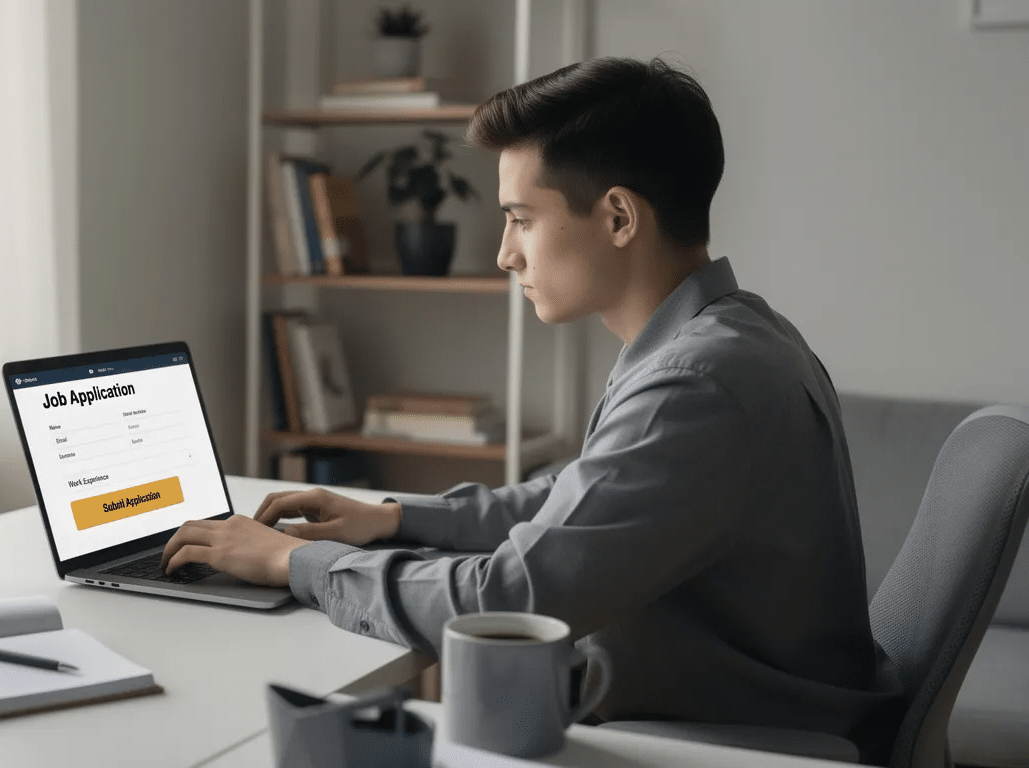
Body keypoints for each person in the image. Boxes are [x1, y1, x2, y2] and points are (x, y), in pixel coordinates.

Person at [162, 56, 900, 760]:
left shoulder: (696, 383)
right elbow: (576, 501)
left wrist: (301, 563)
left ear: (617, 218)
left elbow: (512, 599)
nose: (504, 254)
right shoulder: (732, 333)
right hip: (720, 718)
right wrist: (393, 518)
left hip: (732, 745)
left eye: (521, 218)